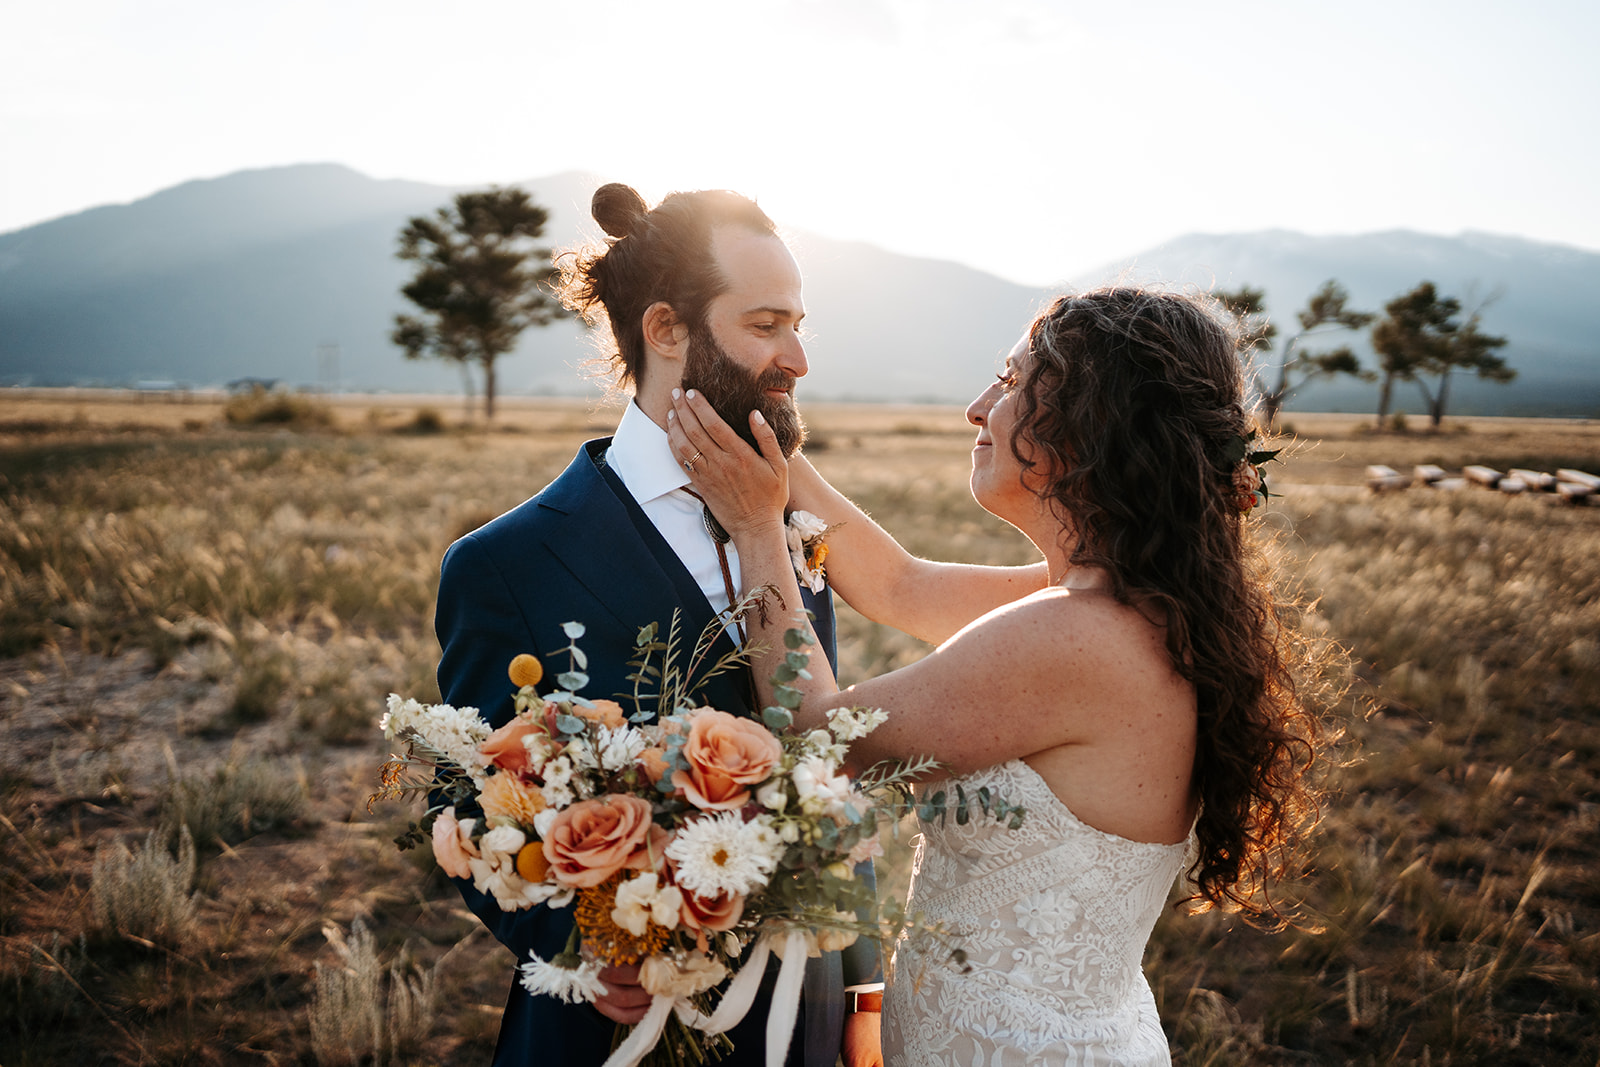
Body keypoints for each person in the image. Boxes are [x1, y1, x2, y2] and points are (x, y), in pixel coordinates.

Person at [665, 287, 1322, 1066]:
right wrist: (763, 426)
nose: (978, 408)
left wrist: (751, 525)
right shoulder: (1122, 601)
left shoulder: (1073, 637)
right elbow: (899, 586)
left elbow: (815, 737)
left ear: (1088, 422)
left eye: (1010, 382)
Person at [434, 183, 881, 1067]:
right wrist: (584, 950)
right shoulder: (504, 565)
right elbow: (472, 802)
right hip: (614, 1033)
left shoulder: (789, 522)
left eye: (799, 323)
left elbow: (820, 764)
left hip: (805, 1018)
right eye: (765, 324)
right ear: (667, 329)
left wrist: (861, 987)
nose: (795, 357)